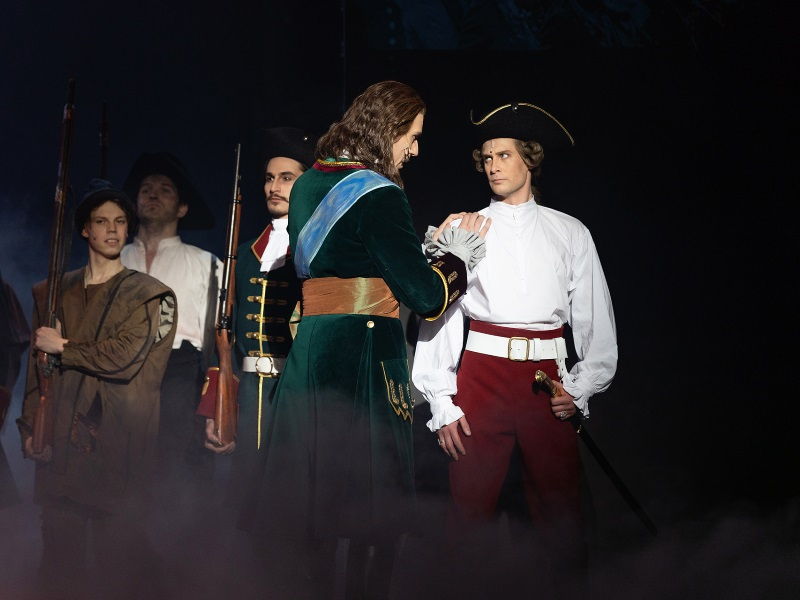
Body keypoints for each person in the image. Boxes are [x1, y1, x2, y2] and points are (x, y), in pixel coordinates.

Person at [244, 80, 489, 599]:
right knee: (375, 505)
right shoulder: (381, 193)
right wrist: (457, 258)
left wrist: (416, 252)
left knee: (314, 501)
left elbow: (350, 256)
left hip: (312, 348)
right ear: (387, 128)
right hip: (365, 351)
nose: (415, 150)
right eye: (412, 136)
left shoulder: (307, 184)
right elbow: (426, 297)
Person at [412, 102, 618, 598]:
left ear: (530, 157)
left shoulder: (570, 232)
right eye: (486, 157)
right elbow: (442, 317)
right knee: (468, 508)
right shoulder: (465, 229)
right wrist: (442, 401)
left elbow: (595, 322)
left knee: (558, 510)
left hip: (546, 381)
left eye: (504, 155)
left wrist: (580, 386)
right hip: (481, 377)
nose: (493, 165)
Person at [17, 179, 177, 598]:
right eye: (102, 221)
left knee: (116, 570)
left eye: (120, 221)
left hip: (115, 449)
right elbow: (37, 373)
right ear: (85, 229)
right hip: (60, 450)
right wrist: (30, 430)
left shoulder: (148, 294)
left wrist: (63, 346)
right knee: (59, 569)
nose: (112, 229)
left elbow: (124, 356)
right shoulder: (52, 291)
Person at [198, 127, 317, 517]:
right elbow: (224, 339)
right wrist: (216, 408)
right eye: (269, 178)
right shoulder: (245, 254)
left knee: (293, 506)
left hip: (297, 394)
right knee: (246, 509)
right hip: (250, 396)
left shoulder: (318, 248)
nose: (274, 187)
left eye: (287, 178)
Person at [121, 152, 221, 509]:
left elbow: (219, 346)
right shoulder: (114, 261)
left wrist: (214, 406)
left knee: (175, 484)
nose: (153, 194)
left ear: (182, 208)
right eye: (146, 188)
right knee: (120, 482)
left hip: (180, 378)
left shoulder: (207, 265)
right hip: (120, 374)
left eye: (165, 189)